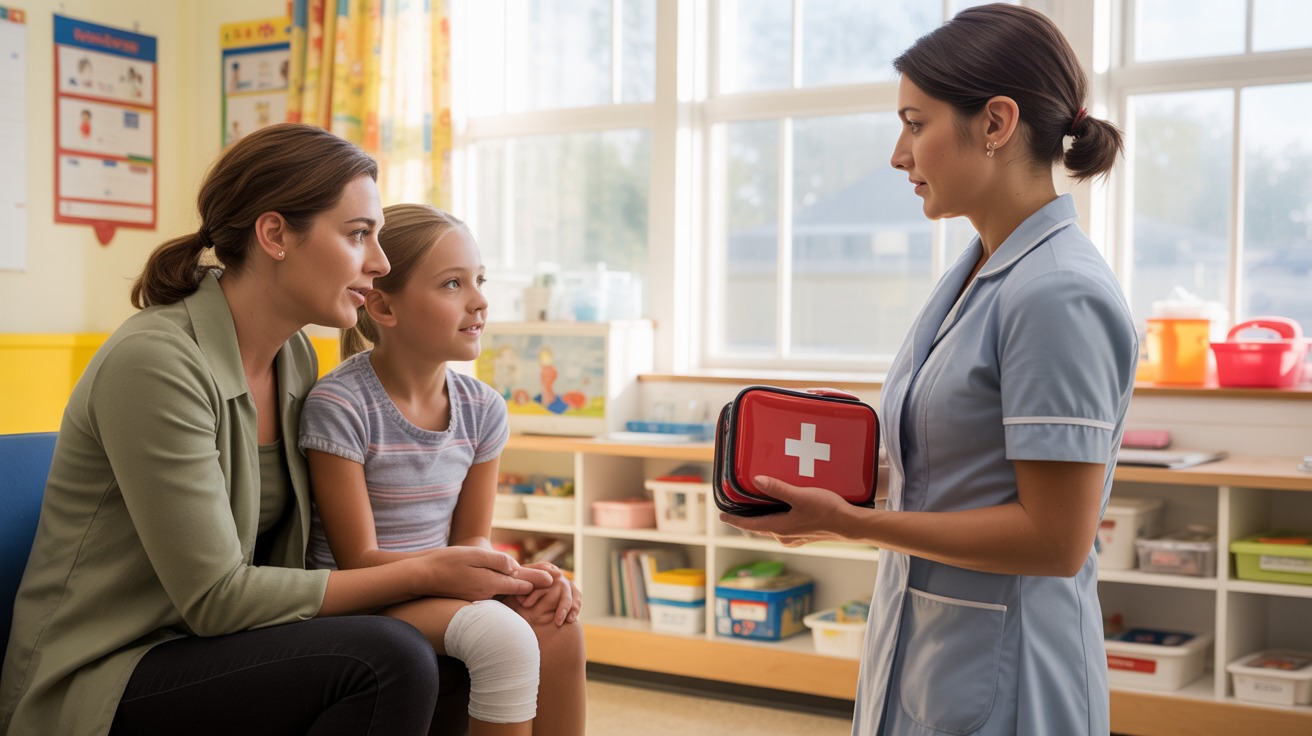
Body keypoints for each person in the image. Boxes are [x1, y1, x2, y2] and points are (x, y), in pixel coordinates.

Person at [0, 123, 553, 736]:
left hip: (219, 642)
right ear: (274, 235)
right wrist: (426, 573)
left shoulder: (293, 360)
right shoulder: (155, 362)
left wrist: (487, 579)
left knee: (462, 646)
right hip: (108, 672)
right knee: (388, 659)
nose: (380, 262)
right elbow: (216, 598)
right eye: (358, 235)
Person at [722, 5, 1137, 735]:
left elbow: (1054, 539)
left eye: (916, 124)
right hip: (930, 646)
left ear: (996, 123)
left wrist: (857, 525)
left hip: (1010, 670)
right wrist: (836, 494)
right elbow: (951, 470)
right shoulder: (976, 275)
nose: (897, 153)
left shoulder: (1057, 293)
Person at [299, 203, 587, 736]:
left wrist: (524, 578)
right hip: (365, 600)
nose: (479, 301)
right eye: (453, 284)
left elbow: (473, 536)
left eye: (479, 280)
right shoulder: (340, 404)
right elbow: (357, 560)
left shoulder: (483, 409)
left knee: (557, 620)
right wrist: (465, 575)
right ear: (383, 308)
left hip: (442, 589)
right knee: (503, 638)